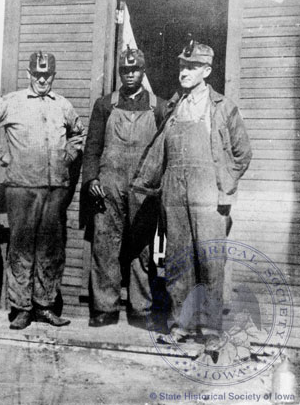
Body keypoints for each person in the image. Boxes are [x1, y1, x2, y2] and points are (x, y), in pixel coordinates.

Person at [132, 40, 252, 348]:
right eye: (182, 66)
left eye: (192, 67)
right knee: (177, 260)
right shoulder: (175, 105)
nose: (184, 71)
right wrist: (146, 182)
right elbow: (160, 150)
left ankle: (211, 332)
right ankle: (180, 326)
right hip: (175, 191)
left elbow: (242, 153)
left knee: (210, 261)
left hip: (208, 194)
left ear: (207, 71)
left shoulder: (222, 107)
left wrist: (226, 184)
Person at [0, 52, 85, 330]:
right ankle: (21, 308)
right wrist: (3, 153)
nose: (42, 79)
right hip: (21, 189)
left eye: (47, 75)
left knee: (50, 251)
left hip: (55, 189)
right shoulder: (12, 102)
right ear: (29, 75)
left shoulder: (63, 105)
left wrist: (68, 155)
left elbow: (79, 133)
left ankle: (44, 306)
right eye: (37, 74)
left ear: (53, 76)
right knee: (21, 250)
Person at [82, 47, 167, 328]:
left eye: (135, 70)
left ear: (143, 72)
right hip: (109, 185)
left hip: (143, 189)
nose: (130, 75)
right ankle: (104, 308)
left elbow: (165, 152)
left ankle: (140, 309)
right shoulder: (105, 105)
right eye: (125, 71)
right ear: (120, 73)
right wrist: (92, 179)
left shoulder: (159, 106)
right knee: (105, 244)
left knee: (141, 248)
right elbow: (92, 146)